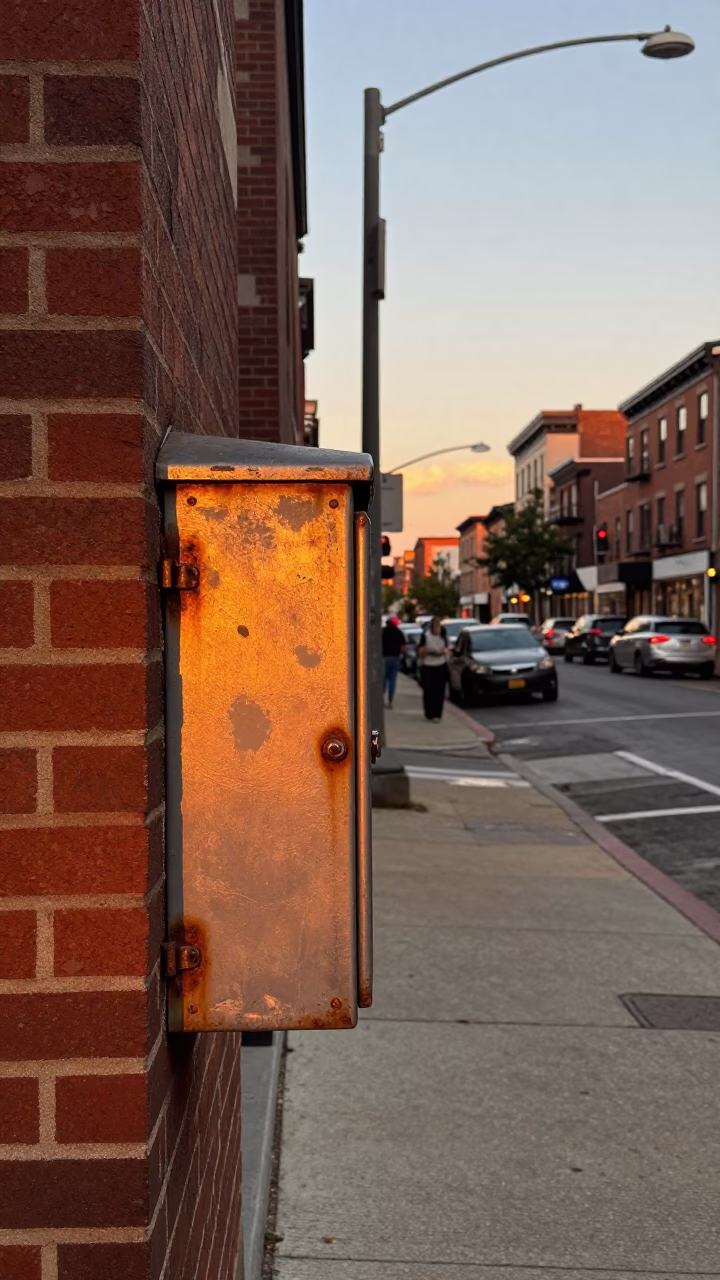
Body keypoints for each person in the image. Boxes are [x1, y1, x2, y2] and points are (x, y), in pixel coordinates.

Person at [417, 616, 448, 721]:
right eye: (435, 625)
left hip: (441, 664)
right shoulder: (426, 636)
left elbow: (447, 648)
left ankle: (437, 714)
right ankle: (429, 713)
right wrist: (428, 652)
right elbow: (420, 650)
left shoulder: (443, 635)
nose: (436, 627)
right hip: (429, 666)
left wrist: (444, 652)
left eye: (438, 625)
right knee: (429, 691)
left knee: (439, 691)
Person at [382, 616, 406, 709]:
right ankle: (390, 701)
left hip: (384, 657)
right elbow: (403, 648)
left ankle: (382, 698)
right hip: (395, 658)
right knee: (392, 680)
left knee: (383, 679)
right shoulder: (399, 632)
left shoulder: (383, 632)